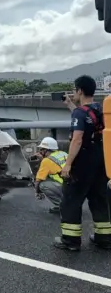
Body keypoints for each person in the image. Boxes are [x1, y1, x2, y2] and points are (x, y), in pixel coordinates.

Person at [54, 75, 111, 250]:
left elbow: (77, 139)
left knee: (71, 199)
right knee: (99, 198)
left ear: (80, 90)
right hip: (100, 159)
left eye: (74, 90)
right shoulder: (99, 109)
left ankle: (70, 241)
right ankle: (104, 238)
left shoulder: (80, 113)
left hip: (83, 161)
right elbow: (87, 119)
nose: (73, 93)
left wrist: (68, 164)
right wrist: (70, 105)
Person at [33, 137, 66, 214]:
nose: (40, 151)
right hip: (77, 187)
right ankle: (70, 203)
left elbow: (38, 181)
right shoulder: (63, 153)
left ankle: (63, 206)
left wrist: (37, 192)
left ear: (46, 150)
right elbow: (53, 165)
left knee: (42, 185)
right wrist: (43, 159)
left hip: (67, 187)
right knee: (49, 178)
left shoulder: (46, 161)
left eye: (41, 149)